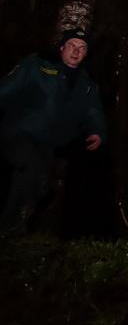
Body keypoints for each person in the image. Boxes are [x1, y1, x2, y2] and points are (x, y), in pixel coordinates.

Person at [0, 28, 107, 234]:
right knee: (29, 167)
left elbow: (94, 112)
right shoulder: (37, 66)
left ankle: (16, 227)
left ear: (86, 54)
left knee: (43, 185)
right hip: (19, 133)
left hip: (48, 143)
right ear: (61, 48)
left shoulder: (87, 85)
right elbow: (8, 87)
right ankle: (9, 227)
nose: (76, 52)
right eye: (72, 46)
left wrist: (98, 132)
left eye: (82, 48)